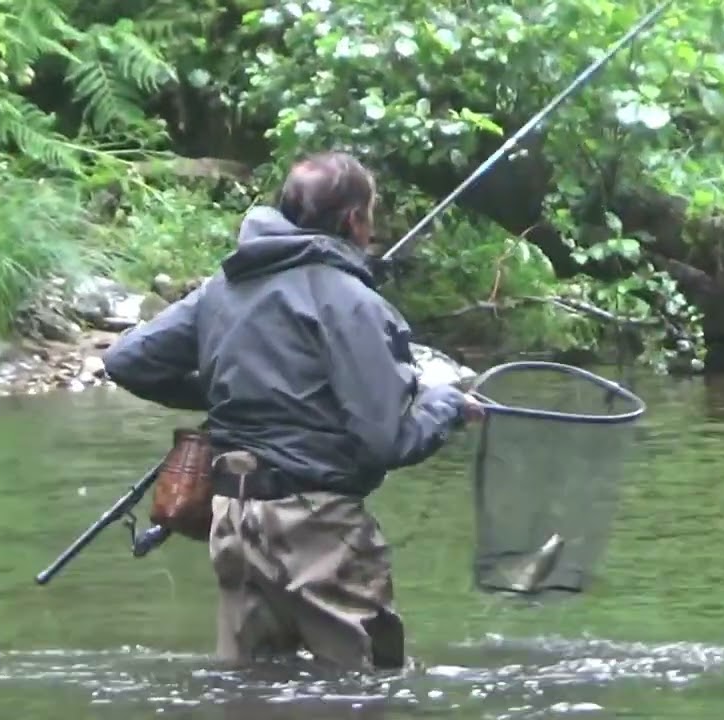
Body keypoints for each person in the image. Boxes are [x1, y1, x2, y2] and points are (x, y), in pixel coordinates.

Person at [101, 150, 483, 672]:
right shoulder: (353, 303)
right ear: (354, 219)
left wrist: (230, 391)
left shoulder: (223, 288)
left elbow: (127, 360)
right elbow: (389, 441)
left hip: (234, 520)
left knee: (250, 692)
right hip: (318, 527)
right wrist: (446, 404)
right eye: (369, 214)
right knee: (363, 692)